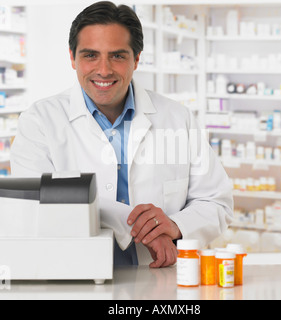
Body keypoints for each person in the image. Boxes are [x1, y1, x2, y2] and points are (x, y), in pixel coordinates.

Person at [10, 1, 233, 268]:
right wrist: (144, 229)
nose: (103, 70)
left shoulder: (177, 118)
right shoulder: (39, 121)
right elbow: (37, 204)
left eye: (117, 56)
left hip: (158, 278)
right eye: (90, 55)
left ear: (136, 59)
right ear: (72, 57)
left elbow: (217, 202)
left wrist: (174, 225)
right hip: (74, 273)